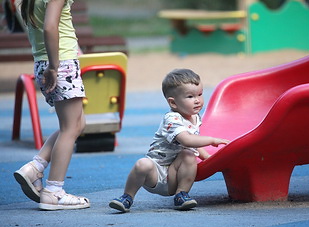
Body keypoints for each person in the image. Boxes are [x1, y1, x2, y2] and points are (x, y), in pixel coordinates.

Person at [109, 69, 229, 212]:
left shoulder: (195, 117)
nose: (197, 100)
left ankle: (181, 195)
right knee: (142, 164)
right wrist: (211, 140)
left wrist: (207, 157)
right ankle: (127, 197)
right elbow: (187, 140)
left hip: (175, 175)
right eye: (190, 96)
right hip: (155, 173)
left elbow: (194, 142)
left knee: (188, 155)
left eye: (200, 94)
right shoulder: (172, 119)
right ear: (173, 103)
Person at [13, 0, 89, 210]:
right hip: (60, 62)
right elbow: (50, 26)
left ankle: (35, 167)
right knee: (70, 128)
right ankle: (54, 191)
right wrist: (55, 67)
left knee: (77, 124)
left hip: (44, 61)